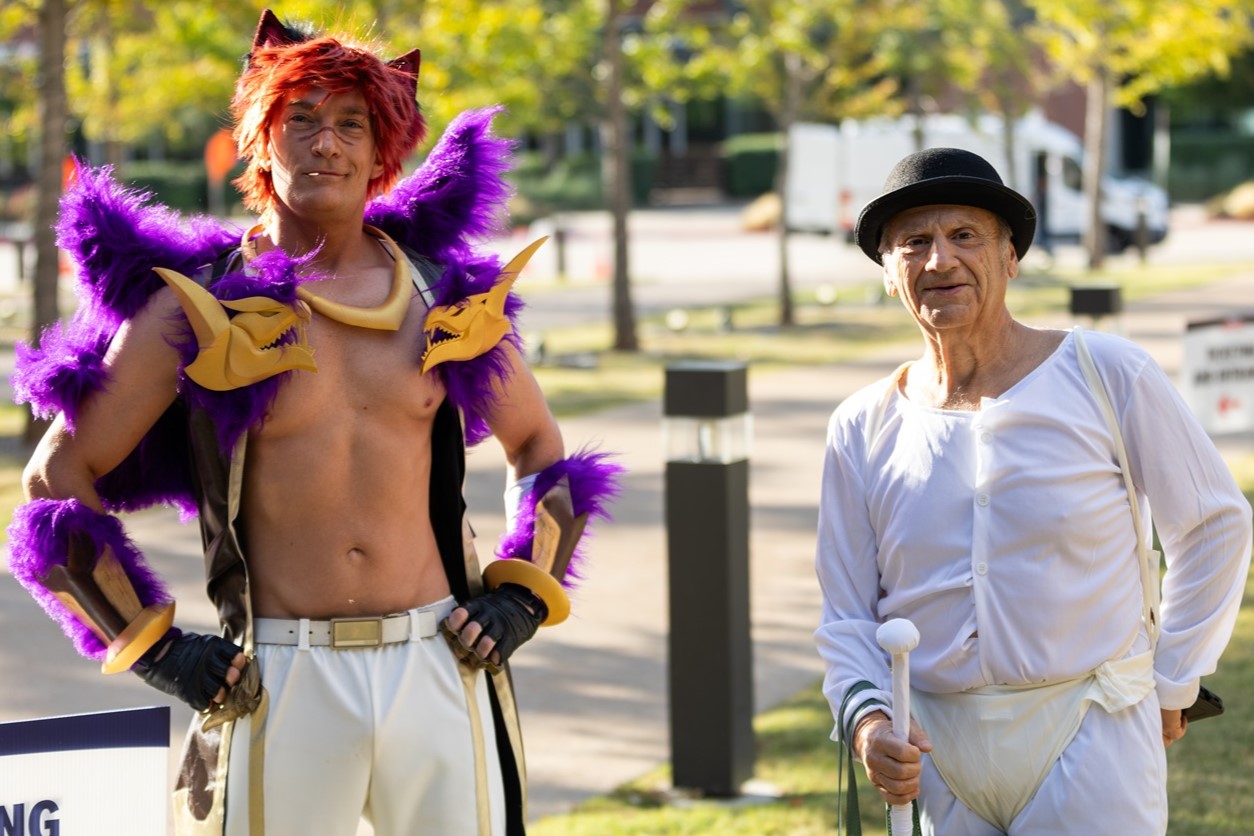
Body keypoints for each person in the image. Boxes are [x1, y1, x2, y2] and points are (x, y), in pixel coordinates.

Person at [7, 10, 618, 836]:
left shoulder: (444, 297)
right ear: (261, 139)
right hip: (276, 679)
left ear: (380, 155)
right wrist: (156, 650)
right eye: (301, 118)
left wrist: (522, 600)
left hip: (443, 660)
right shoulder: (191, 309)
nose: (325, 142)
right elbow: (54, 483)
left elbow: (541, 449)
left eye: (350, 124)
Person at [813, 146, 1251, 834]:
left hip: (1090, 727)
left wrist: (1175, 680)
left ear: (1010, 256)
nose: (939, 261)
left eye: (964, 237)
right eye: (914, 244)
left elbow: (1213, 525)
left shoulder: (1107, 374)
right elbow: (845, 613)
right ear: (890, 273)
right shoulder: (862, 425)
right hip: (937, 748)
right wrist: (869, 722)